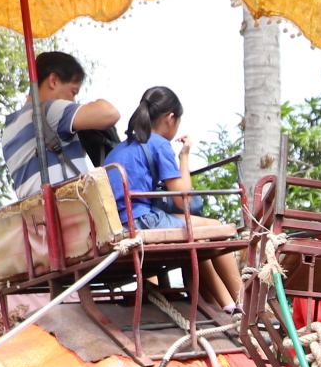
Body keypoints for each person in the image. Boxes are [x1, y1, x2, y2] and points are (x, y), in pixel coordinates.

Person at [102, 85, 243, 313]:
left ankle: (226, 305)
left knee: (200, 238)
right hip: (140, 221)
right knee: (218, 228)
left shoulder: (122, 147)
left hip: (120, 222)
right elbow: (183, 200)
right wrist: (184, 155)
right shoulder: (158, 143)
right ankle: (245, 301)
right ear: (170, 118)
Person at [1, 51, 119, 200]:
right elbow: (109, 113)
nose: (73, 101)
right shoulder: (49, 110)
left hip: (37, 215)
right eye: (73, 92)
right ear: (53, 81)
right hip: (69, 209)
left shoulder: (9, 129)